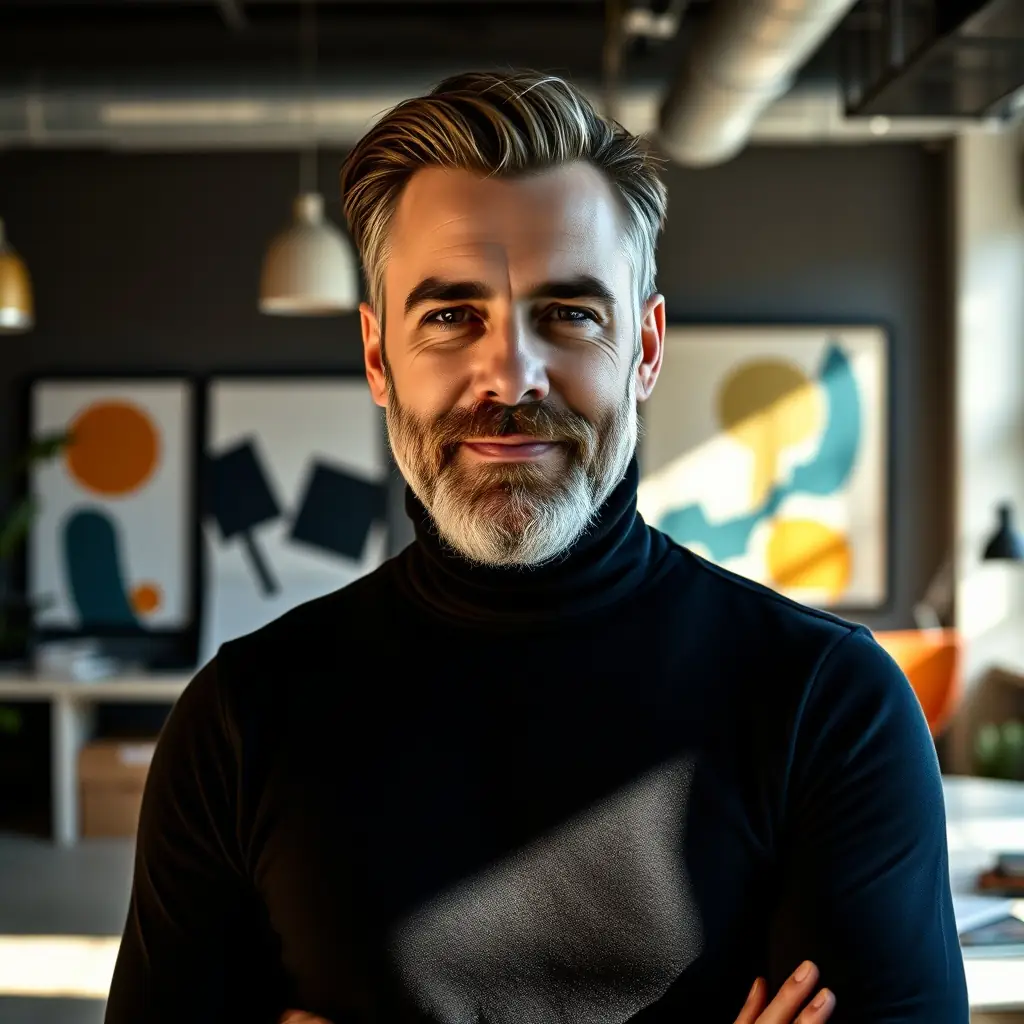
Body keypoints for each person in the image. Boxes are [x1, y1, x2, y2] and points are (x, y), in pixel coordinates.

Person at [104, 70, 968, 1024]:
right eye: (449, 316)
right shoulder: (240, 721)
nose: (510, 375)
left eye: (569, 314)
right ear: (377, 357)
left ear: (644, 347)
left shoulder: (829, 708)